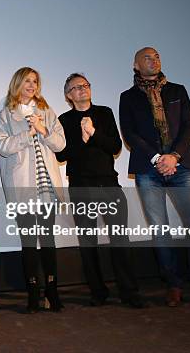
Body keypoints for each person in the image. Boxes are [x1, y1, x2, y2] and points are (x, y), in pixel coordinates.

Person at [119, 47, 190, 307]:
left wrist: (175, 157)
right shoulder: (128, 97)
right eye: (147, 57)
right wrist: (159, 159)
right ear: (136, 65)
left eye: (157, 56)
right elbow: (130, 134)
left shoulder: (177, 90)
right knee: (161, 231)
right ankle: (173, 285)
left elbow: (189, 126)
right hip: (149, 170)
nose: (153, 60)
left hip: (181, 166)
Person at [56, 73, 145, 308]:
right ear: (68, 95)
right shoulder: (64, 120)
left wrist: (94, 133)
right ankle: (98, 292)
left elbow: (115, 146)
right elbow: (61, 154)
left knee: (120, 240)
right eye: (75, 88)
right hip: (80, 186)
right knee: (88, 243)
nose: (82, 90)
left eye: (85, 85)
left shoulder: (104, 112)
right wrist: (82, 138)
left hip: (108, 184)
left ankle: (129, 292)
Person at [0, 67, 65, 313]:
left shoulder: (46, 111)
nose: (32, 85)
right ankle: (33, 293)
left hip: (47, 188)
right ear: (17, 83)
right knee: (28, 242)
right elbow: (2, 146)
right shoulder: (6, 114)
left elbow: (61, 144)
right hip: (22, 188)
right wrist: (28, 133)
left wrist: (43, 128)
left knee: (47, 240)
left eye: (35, 81)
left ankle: (52, 292)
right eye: (27, 80)